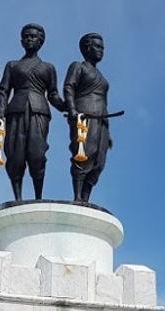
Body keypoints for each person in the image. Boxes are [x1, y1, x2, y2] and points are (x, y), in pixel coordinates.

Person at [0, 24, 64, 201]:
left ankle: (38, 197)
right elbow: (3, 91)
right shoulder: (12, 65)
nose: (29, 39)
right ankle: (17, 198)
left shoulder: (48, 68)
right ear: (21, 40)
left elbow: (54, 94)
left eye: (33, 36)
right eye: (26, 36)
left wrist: (67, 107)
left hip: (39, 112)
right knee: (15, 156)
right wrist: (0, 115)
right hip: (16, 112)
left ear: (41, 41)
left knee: (37, 154)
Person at [64, 33, 111, 203]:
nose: (101, 50)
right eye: (97, 46)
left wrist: (108, 133)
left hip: (102, 119)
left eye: (102, 48)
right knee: (84, 153)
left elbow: (105, 99)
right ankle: (77, 196)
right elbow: (69, 87)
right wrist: (72, 109)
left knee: (99, 161)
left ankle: (86, 197)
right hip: (84, 115)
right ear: (86, 48)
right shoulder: (78, 67)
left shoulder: (102, 77)